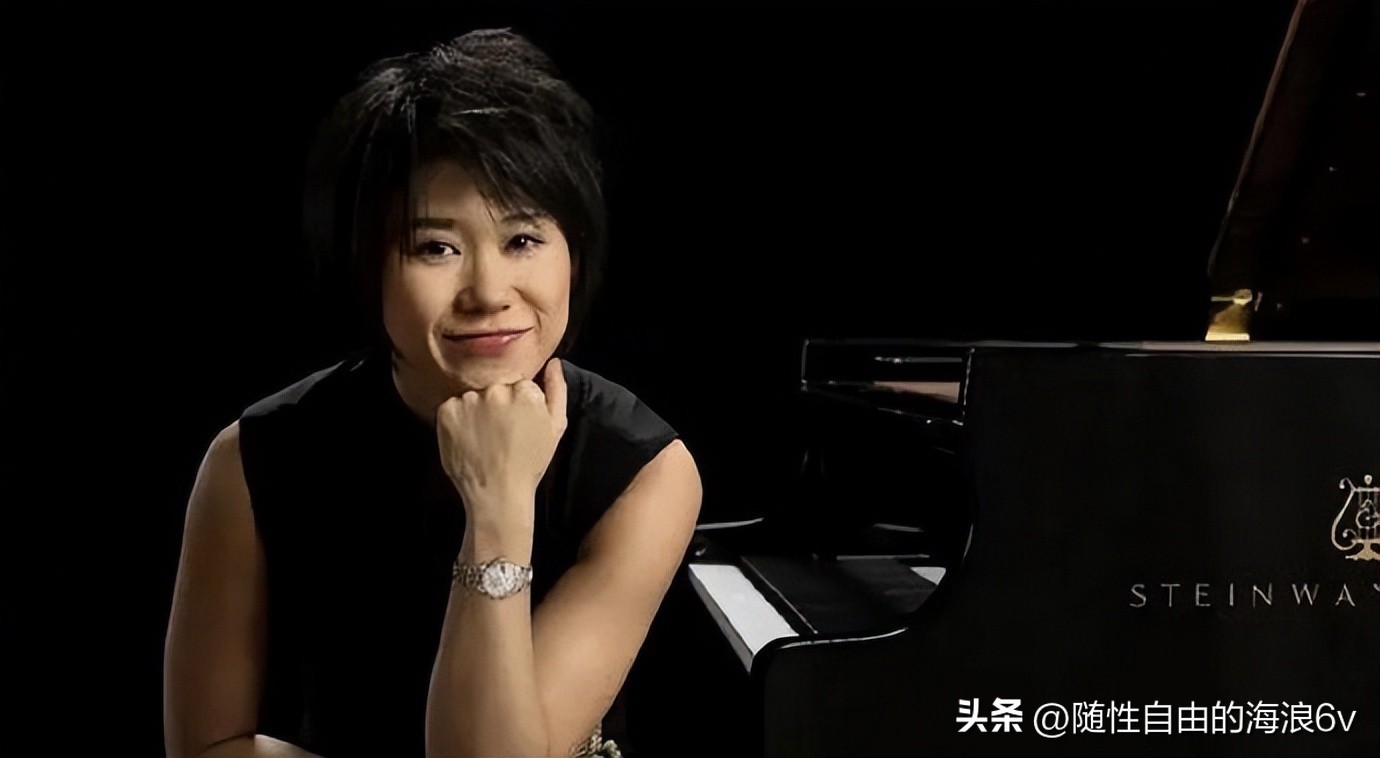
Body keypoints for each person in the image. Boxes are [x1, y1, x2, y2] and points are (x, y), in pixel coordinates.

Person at [163, 29, 702, 758]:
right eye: (435, 248)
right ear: (366, 266)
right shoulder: (251, 460)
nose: (489, 292)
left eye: (523, 240)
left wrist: (497, 506)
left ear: (573, 250)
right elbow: (207, 746)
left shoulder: (644, 470)